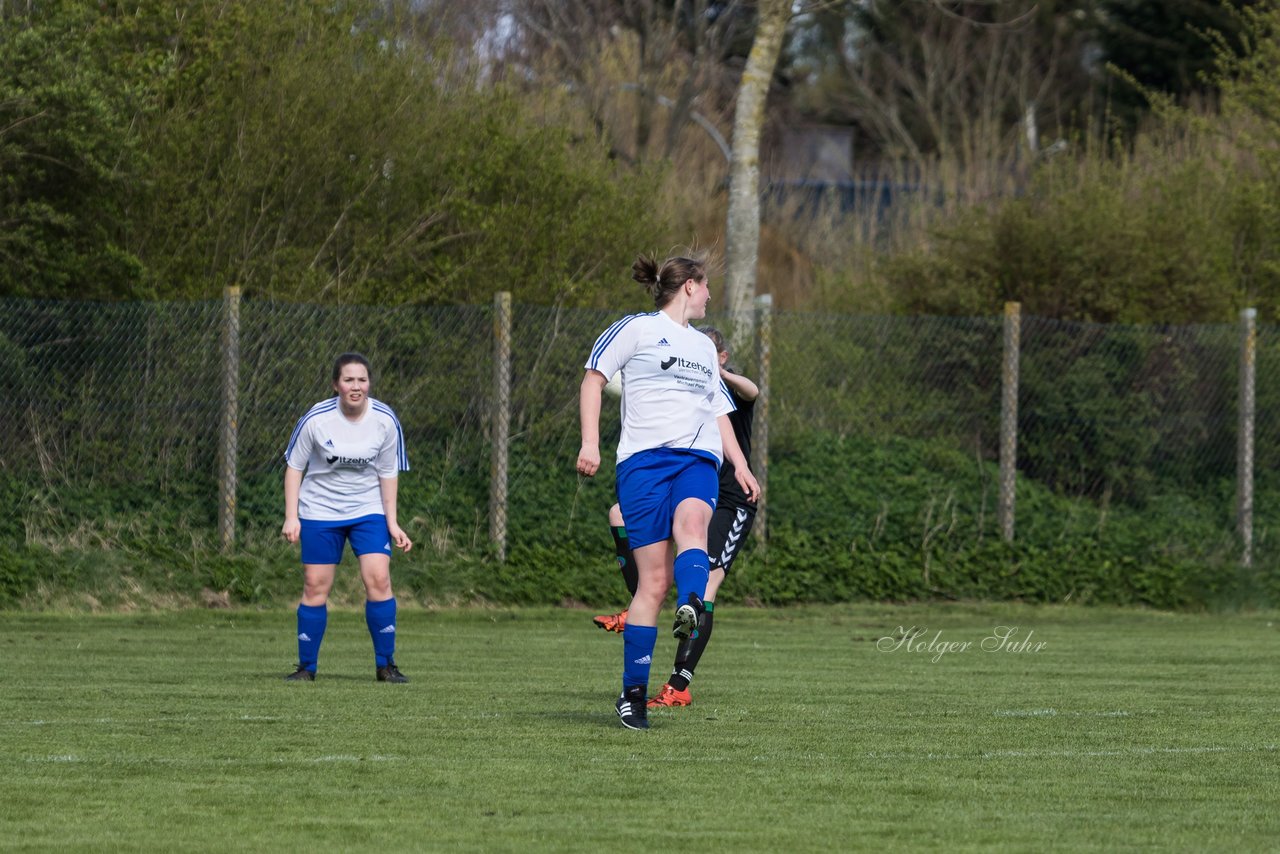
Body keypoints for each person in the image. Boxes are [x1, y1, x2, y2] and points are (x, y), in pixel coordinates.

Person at [578, 253, 760, 729]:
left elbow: (720, 411)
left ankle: (694, 604)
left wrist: (740, 464)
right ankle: (632, 696)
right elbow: (593, 379)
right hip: (642, 463)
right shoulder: (635, 329)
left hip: (698, 459)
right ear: (689, 288)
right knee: (653, 585)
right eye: (705, 287)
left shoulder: (703, 347)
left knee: (693, 522)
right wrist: (591, 443)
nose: (709, 295)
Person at [281, 352, 413, 683]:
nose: (356, 386)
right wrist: (291, 516)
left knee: (379, 579)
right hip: (320, 511)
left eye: (362, 380)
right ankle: (306, 668)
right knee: (315, 585)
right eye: (348, 380)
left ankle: (386, 665)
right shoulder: (316, 418)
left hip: (368, 510)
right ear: (335, 385)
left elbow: (388, 472)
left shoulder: (384, 419)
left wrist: (392, 522)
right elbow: (295, 467)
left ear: (369, 383)